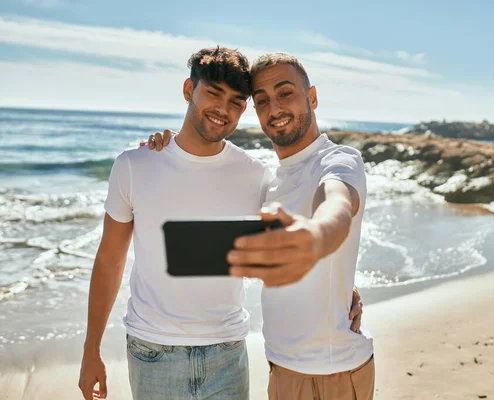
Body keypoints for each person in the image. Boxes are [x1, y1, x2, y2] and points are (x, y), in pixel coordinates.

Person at [78, 47, 364, 400]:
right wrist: (91, 349)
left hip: (228, 350)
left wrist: (339, 284)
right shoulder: (135, 164)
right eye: (213, 94)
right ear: (188, 90)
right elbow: (110, 259)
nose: (222, 110)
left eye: (236, 102)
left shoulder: (256, 175)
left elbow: (320, 212)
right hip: (153, 351)